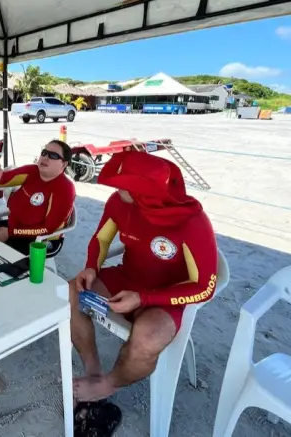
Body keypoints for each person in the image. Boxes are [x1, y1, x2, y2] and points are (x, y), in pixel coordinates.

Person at [70, 151, 218, 403]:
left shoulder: (192, 222)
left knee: (146, 341)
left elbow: (205, 287)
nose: (116, 189)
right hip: (127, 278)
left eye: (122, 185)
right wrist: (91, 267)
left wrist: (143, 298)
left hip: (166, 296)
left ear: (142, 192)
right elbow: (102, 238)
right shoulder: (119, 203)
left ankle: (108, 384)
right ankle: (93, 368)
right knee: (71, 292)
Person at [0, 140, 76, 256]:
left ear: (64, 164)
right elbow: (4, 179)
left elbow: (47, 229)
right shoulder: (33, 171)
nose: (45, 157)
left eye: (53, 155)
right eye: (44, 152)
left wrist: (10, 233)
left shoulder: (65, 188)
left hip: (40, 239)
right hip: (13, 227)